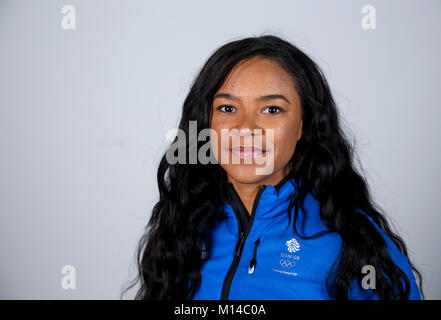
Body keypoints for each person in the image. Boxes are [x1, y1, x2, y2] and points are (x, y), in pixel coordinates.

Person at [125, 35, 423, 300]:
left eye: (271, 109)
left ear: (303, 126)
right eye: (227, 108)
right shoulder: (181, 228)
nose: (245, 129)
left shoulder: (354, 241)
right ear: (206, 123)